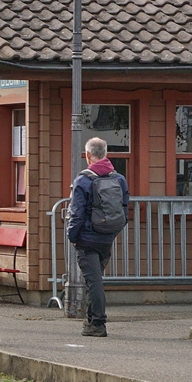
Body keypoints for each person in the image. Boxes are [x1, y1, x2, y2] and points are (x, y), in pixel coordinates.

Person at [66, 136, 130, 337]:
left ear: (87, 155)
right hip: (107, 236)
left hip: (87, 237)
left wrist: (72, 235)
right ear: (105, 154)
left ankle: (98, 323)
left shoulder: (83, 180)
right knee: (95, 279)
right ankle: (91, 321)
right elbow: (124, 209)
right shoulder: (118, 178)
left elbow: (77, 213)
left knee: (94, 282)